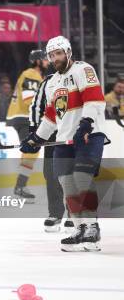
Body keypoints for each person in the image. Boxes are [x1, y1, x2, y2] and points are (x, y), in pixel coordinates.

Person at [21, 35, 107, 251]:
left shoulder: (82, 69)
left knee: (81, 177)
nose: (55, 58)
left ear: (68, 52)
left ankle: (92, 227)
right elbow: (51, 117)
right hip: (64, 140)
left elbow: (94, 99)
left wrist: (86, 124)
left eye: (58, 53)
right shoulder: (52, 83)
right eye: (51, 55)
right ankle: (79, 228)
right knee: (66, 183)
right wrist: (36, 138)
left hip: (88, 135)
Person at [28, 53, 73, 232]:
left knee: (69, 174)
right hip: (51, 134)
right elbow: (36, 106)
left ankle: (73, 214)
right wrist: (34, 131)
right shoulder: (48, 81)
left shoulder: (76, 80)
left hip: (71, 133)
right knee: (51, 173)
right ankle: (55, 213)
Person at [6, 50, 49, 202]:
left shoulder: (37, 76)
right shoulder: (31, 74)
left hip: (24, 117)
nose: (48, 62)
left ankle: (20, 185)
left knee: (32, 151)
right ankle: (20, 186)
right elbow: (28, 99)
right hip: (23, 117)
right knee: (31, 150)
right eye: (45, 59)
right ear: (37, 61)